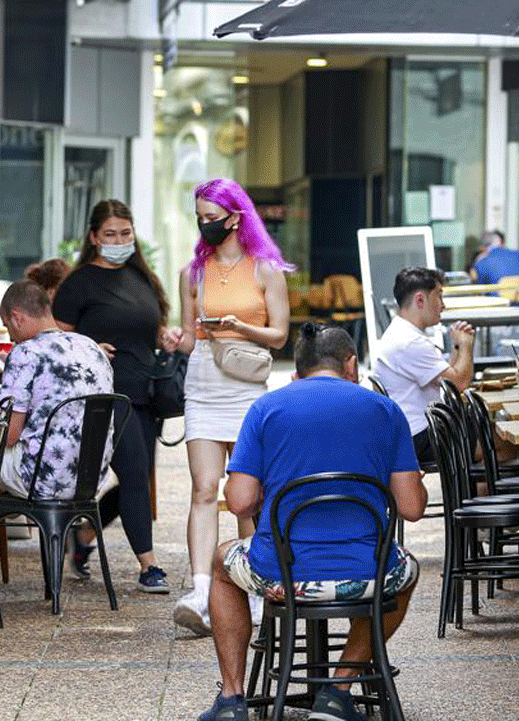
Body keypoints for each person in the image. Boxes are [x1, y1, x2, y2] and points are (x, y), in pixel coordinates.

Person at [196, 324, 426, 721]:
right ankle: (338, 690)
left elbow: (239, 502)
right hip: (366, 572)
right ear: (351, 364)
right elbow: (412, 508)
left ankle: (232, 699)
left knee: (220, 565)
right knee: (406, 570)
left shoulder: (266, 409)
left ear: (297, 372)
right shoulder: (385, 410)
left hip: (281, 574)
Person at [173, 178, 292, 636]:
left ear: (235, 217)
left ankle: (256, 592)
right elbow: (188, 337)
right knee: (203, 488)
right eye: (200, 218)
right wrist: (175, 338)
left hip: (245, 384)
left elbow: (280, 334)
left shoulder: (266, 269)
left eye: (212, 218)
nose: (206, 226)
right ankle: (201, 593)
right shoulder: (192, 274)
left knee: (246, 498)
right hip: (203, 379)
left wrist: (238, 325)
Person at [51, 199, 181, 593]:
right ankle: (149, 565)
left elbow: (151, 328)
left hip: (146, 393)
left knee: (136, 478)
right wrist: (87, 346)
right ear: (94, 237)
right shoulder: (79, 283)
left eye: (125, 233)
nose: (119, 240)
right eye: (110, 234)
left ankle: (85, 535)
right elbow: (55, 341)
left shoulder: (143, 278)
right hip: (104, 397)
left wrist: (165, 336)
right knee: (136, 475)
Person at [0, 280, 114, 501]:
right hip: (92, 480)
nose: (10, 337)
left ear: (17, 317)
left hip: (42, 479)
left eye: (7, 326)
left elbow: (9, 436)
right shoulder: (92, 348)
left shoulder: (25, 352)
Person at [372, 267, 475, 464]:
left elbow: (445, 377)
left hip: (417, 431)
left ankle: (470, 491)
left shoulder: (403, 332)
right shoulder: (409, 341)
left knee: (485, 433)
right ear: (420, 299)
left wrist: (456, 347)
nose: (443, 306)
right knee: (500, 444)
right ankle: (472, 493)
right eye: (439, 296)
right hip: (421, 436)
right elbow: (459, 382)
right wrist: (466, 345)